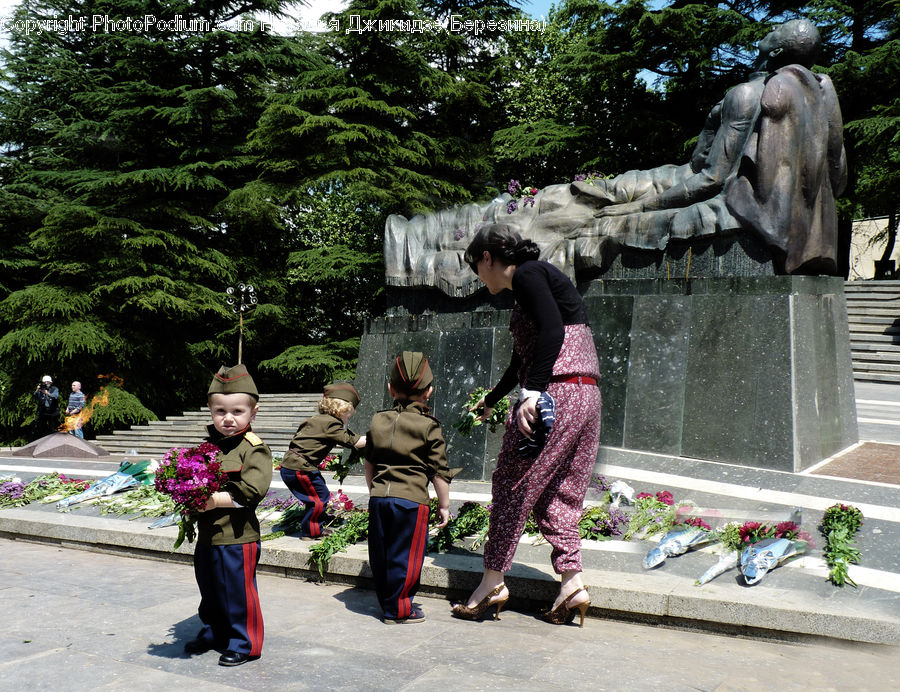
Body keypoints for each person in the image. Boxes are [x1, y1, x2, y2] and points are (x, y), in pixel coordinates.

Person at [452, 224, 601, 627]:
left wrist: (531, 394)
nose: (479, 279)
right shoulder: (539, 282)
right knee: (560, 494)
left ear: (488, 257)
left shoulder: (529, 273)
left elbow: (552, 333)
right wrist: (495, 397)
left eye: (477, 269)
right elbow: (527, 356)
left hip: (555, 395)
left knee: (512, 483)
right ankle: (572, 584)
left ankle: (493, 581)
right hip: (585, 394)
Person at [184, 364, 272, 667]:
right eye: (220, 411)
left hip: (237, 536)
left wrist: (211, 501)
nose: (228, 418)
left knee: (238, 592)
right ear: (210, 411)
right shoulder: (208, 447)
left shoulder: (254, 449)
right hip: (209, 535)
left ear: (253, 412)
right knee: (209, 589)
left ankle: (245, 643)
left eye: (237, 411)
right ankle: (215, 632)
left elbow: (251, 492)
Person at [364, 351, 452, 623]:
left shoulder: (378, 420)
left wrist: (374, 490)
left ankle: (388, 601)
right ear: (429, 392)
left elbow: (369, 462)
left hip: (380, 498)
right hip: (412, 501)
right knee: (407, 557)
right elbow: (439, 472)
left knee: (381, 553)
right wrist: (444, 505)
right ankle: (400, 610)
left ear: (390, 389)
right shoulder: (429, 425)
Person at [280, 381, 367, 540]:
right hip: (300, 468)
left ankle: (317, 522)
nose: (348, 418)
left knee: (317, 493)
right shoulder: (332, 423)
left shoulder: (317, 419)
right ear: (342, 409)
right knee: (319, 498)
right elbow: (353, 441)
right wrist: (376, 437)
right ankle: (311, 532)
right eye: (349, 415)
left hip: (292, 466)